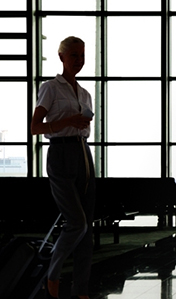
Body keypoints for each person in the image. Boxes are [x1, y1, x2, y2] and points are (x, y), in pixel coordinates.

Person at [30, 36, 95, 299]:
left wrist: (81, 124)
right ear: (61, 57)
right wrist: (67, 120)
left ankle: (81, 291)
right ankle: (52, 276)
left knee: (87, 227)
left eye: (82, 55)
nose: (79, 61)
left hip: (83, 153)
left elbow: (86, 128)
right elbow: (35, 127)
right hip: (60, 153)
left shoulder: (86, 93)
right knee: (76, 222)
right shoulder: (50, 87)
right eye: (74, 56)